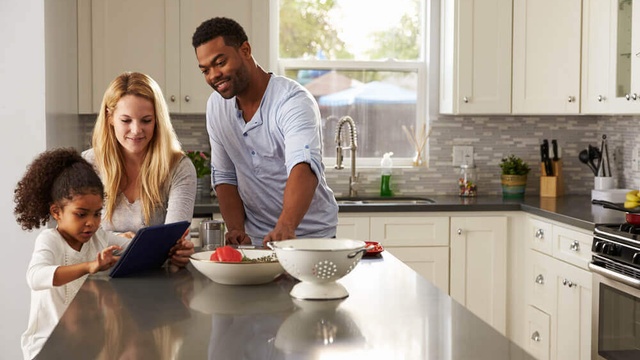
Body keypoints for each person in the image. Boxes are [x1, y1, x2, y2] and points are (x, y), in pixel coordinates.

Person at [192, 17, 339, 247]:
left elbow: (303, 166)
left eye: (220, 62)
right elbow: (224, 176)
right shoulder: (216, 107)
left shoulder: (292, 101)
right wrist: (237, 230)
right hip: (256, 241)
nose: (213, 76)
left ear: (245, 50)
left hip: (310, 239)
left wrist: (286, 225)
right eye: (205, 70)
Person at [13, 148, 131, 360]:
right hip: (47, 346)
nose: (91, 223)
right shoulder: (50, 240)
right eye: (81, 214)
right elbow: (35, 277)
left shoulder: (98, 237)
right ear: (57, 212)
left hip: (84, 343)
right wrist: (89, 266)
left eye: (97, 214)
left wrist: (169, 245)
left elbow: (130, 246)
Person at [82, 71, 196, 267]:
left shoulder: (179, 168)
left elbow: (170, 242)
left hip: (158, 281)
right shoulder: (88, 164)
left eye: (146, 120)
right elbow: (77, 235)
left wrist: (180, 250)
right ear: (110, 117)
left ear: (157, 120)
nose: (136, 130)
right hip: (98, 277)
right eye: (126, 120)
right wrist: (122, 239)